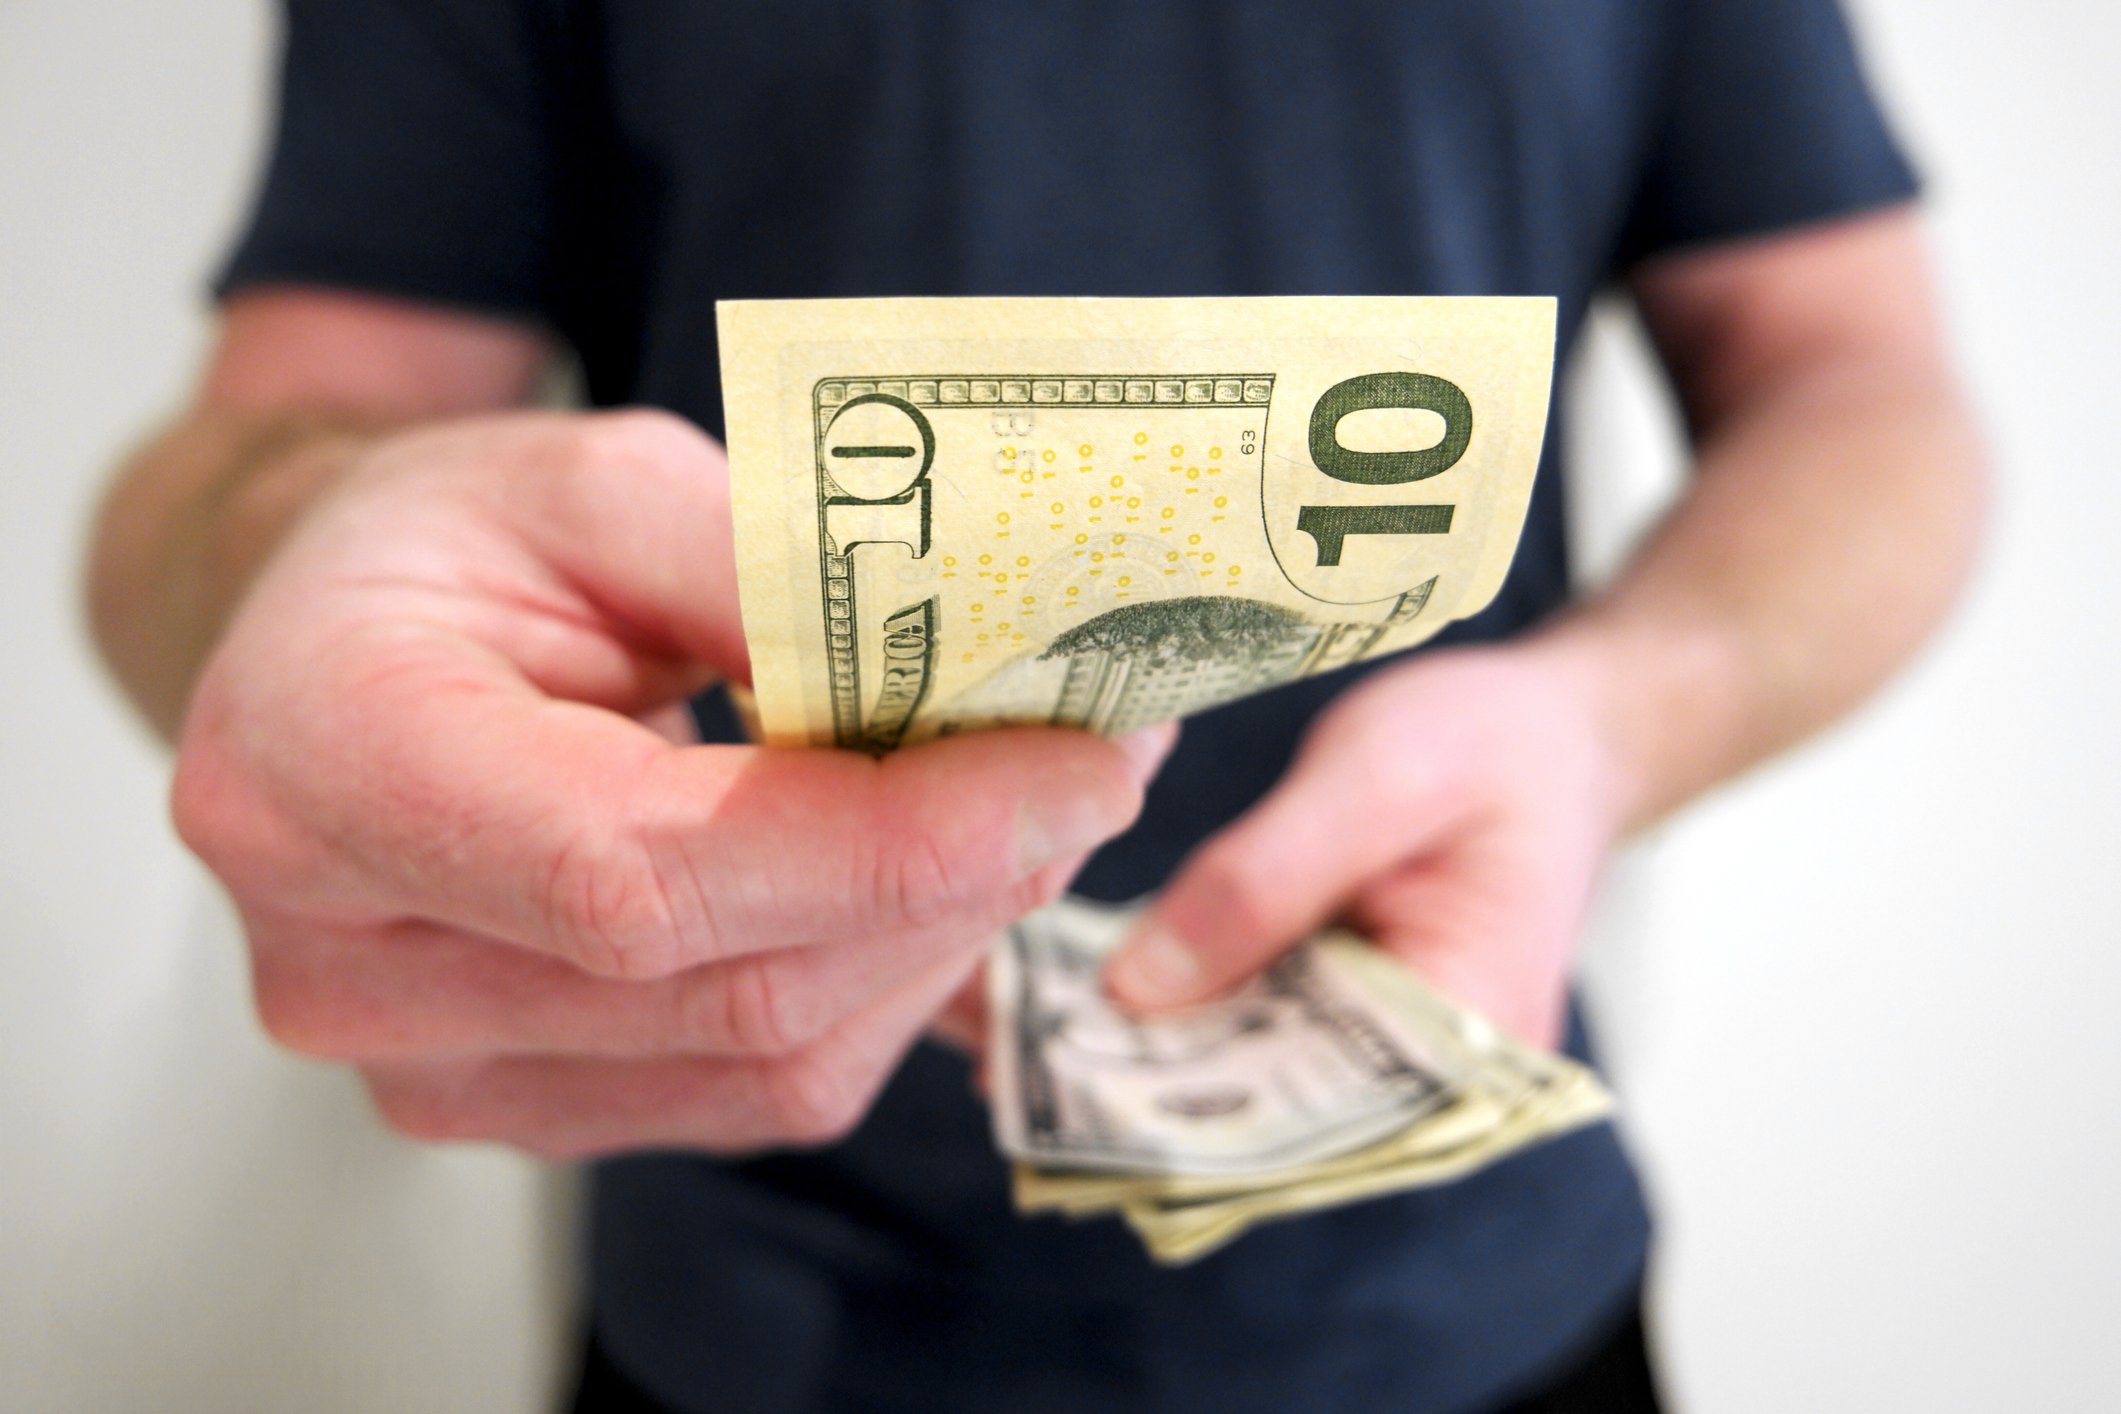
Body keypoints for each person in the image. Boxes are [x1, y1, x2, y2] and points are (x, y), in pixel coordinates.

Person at [84, 2, 1985, 1410]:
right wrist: (295, 569)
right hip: (750, 1307)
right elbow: (269, 436)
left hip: (1481, 1292)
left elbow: (1855, 382)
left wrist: (1611, 718)